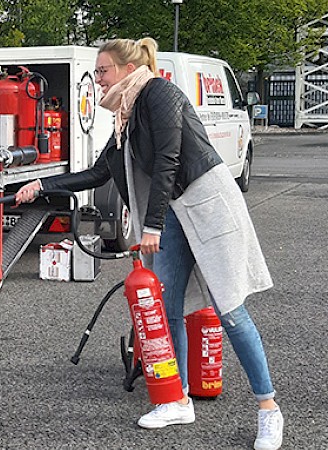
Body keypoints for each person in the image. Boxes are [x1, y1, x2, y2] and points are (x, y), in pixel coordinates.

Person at [15, 38, 284, 450]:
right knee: (168, 307)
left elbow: (169, 160)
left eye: (102, 71)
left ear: (125, 68)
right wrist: (41, 185)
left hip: (207, 203)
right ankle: (178, 398)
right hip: (174, 210)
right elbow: (98, 173)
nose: (98, 79)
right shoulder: (125, 114)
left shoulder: (159, 93)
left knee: (230, 308)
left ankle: (268, 410)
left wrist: (151, 227)